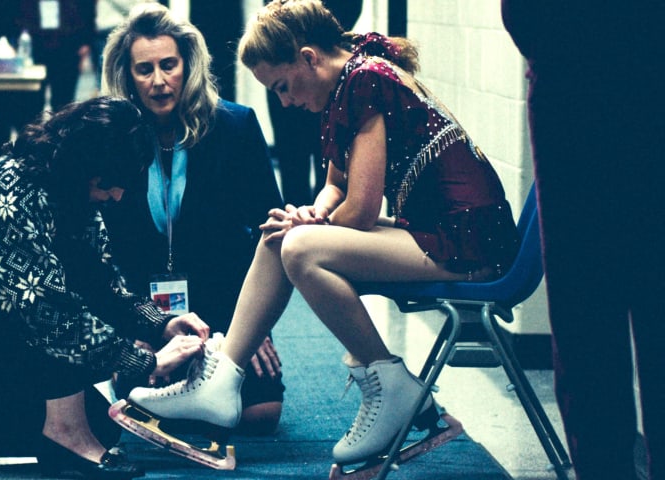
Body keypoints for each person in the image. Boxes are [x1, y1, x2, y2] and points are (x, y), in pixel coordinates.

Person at [117, 0, 521, 467]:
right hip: (438, 233)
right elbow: (335, 185)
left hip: (471, 246)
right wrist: (311, 213)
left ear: (308, 58)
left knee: (301, 246)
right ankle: (221, 381)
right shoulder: (347, 78)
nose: (285, 102)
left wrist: (307, 227)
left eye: (283, 87)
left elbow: (362, 211)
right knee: (279, 237)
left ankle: (391, 385)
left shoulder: (365, 81)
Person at [0, 96, 212, 479]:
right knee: (57, 330)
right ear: (86, 164)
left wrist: (161, 324)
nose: (118, 195)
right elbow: (50, 316)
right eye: (112, 182)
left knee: (101, 427)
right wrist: (147, 363)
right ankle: (48, 426)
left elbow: (103, 286)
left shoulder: (69, 189)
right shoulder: (11, 197)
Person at [100, 2, 286, 435]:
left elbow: (271, 233)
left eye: (169, 65)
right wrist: (130, 330)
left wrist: (254, 327)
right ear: (127, 75)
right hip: (147, 313)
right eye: (144, 69)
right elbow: (102, 250)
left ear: (188, 65)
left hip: (228, 309)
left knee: (260, 416)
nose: (158, 81)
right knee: (139, 398)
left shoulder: (235, 126)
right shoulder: (111, 138)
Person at [501, 2, 665, 480]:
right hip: (612, 73)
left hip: (571, 86)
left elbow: (523, 16)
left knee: (586, 311)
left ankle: (603, 467)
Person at [266, 0, 363, 206]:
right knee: (292, 162)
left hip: (321, 66)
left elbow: (351, 7)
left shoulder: (359, 80)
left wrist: (316, 38)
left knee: (328, 163)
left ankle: (322, 218)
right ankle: (298, 216)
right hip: (288, 66)